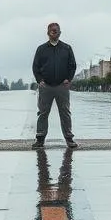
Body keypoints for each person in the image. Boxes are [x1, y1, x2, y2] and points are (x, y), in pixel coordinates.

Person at [32, 21, 77, 149]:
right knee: (43, 113)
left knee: (65, 112)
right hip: (45, 86)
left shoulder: (67, 48)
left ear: (60, 32)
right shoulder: (41, 49)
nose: (54, 32)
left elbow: (72, 66)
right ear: (47, 33)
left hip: (62, 86)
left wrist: (69, 79)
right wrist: (39, 80)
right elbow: (35, 66)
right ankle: (40, 139)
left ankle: (69, 139)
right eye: (52, 31)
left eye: (56, 31)